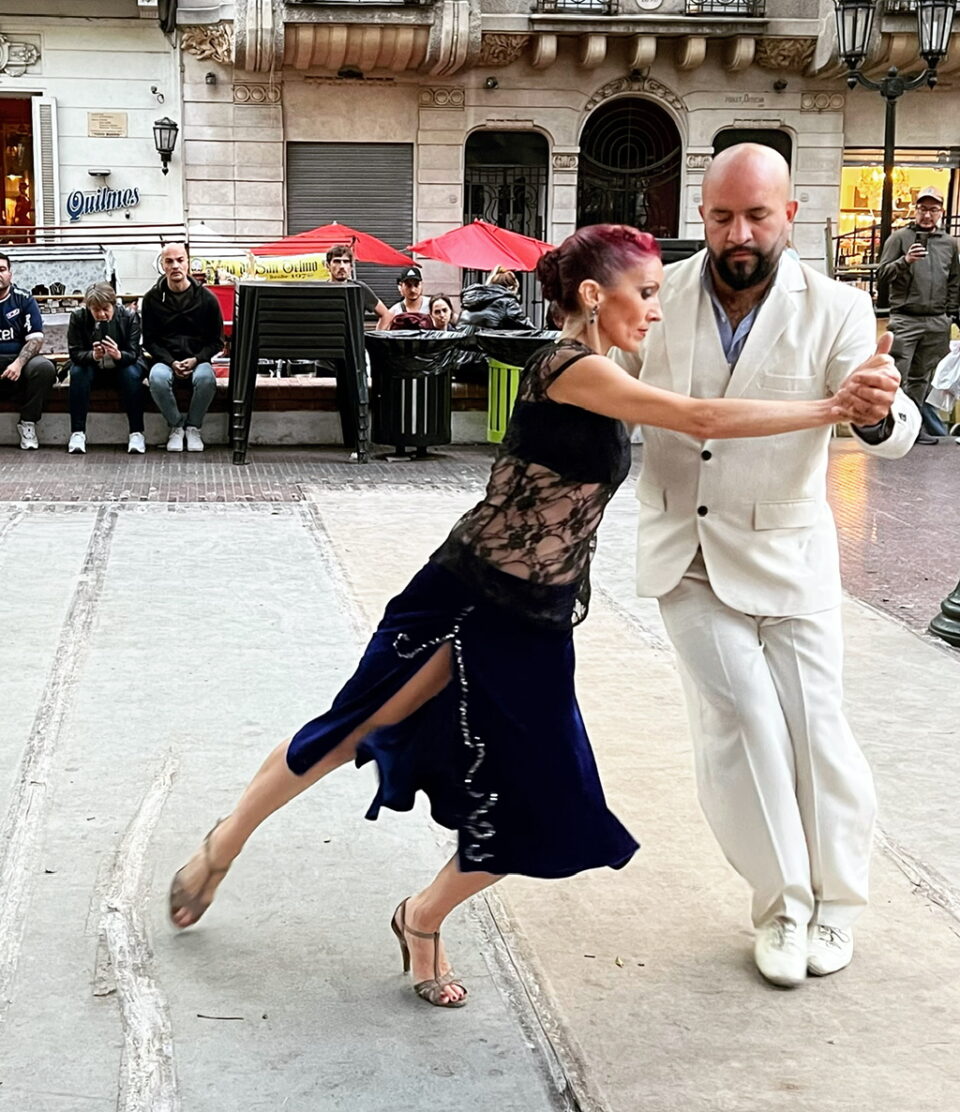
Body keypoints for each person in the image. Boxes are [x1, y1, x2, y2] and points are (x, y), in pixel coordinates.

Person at [167, 222, 891, 1010]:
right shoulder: (567, 365)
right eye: (645, 293)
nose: (656, 310)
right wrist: (829, 407)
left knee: (545, 809)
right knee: (353, 731)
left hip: (537, 615)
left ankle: (420, 916)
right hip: (464, 590)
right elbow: (702, 418)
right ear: (592, 296)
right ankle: (222, 846)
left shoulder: (610, 361)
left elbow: (698, 399)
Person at [612, 143, 919, 989]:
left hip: (790, 554)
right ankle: (782, 906)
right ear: (699, 217)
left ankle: (838, 907)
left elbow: (895, 429)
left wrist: (874, 413)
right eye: (720, 217)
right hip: (687, 553)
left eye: (755, 215)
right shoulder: (660, 297)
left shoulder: (837, 307)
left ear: (791, 214)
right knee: (742, 725)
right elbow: (606, 376)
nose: (737, 233)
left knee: (818, 733)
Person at [876, 186, 960, 444]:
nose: (927, 215)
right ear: (915, 210)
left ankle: (913, 429)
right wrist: (905, 261)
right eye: (922, 208)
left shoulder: (949, 244)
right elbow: (882, 275)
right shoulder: (899, 239)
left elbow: (955, 280)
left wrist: (949, 314)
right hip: (905, 319)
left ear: (941, 212)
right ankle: (889, 427)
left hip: (936, 321)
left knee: (921, 379)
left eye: (933, 209)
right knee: (895, 375)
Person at [141, 242, 223, 452]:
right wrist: (171, 361)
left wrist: (196, 359)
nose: (175, 266)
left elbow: (217, 341)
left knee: (206, 379)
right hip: (166, 360)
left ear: (188, 263)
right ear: (162, 265)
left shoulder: (208, 299)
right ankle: (176, 426)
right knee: (156, 379)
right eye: (169, 261)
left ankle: (193, 427)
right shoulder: (151, 299)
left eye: (180, 260)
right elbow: (150, 340)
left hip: (199, 359)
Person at [66, 282, 147, 455]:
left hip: (123, 366)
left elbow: (134, 353)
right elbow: (74, 353)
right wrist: (92, 356)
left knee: (131, 373)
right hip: (93, 368)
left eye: (106, 309)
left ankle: (136, 432)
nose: (101, 314)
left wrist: (118, 355)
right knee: (78, 372)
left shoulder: (129, 316)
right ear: (88, 308)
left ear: (114, 304)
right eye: (96, 310)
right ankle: (77, 432)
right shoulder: (78, 317)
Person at [0, 251, 56, 449]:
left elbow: (36, 339)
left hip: (18, 361)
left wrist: (18, 363)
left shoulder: (24, 299)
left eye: (2, 270)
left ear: (10, 274)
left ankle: (28, 423)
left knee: (44, 368)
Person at [325, 245, 390, 325]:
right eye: (337, 261)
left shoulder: (360, 288)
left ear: (351, 266)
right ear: (328, 265)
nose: (342, 266)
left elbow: (386, 315)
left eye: (346, 261)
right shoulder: (321, 289)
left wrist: (376, 336)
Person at [459, 267, 535, 330]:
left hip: (463, 343)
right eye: (517, 290)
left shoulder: (472, 297)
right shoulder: (508, 300)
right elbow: (523, 323)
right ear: (511, 287)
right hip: (488, 344)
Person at [380, 266, 428, 330]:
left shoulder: (432, 305)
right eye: (408, 285)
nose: (412, 290)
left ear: (422, 284)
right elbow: (380, 333)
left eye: (416, 285)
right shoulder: (394, 312)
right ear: (401, 286)